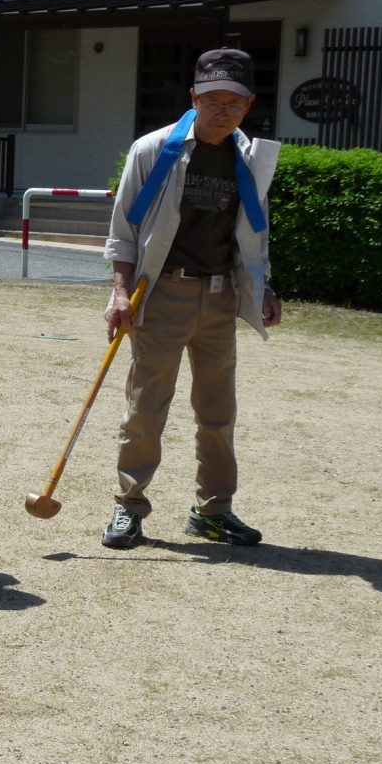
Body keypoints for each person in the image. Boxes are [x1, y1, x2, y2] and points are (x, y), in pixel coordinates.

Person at [101, 48, 283, 550]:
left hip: (221, 297)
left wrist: (262, 286)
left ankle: (213, 511)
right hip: (160, 294)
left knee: (218, 411)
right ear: (193, 98)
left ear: (248, 105)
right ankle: (129, 506)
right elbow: (123, 232)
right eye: (212, 99)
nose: (222, 110)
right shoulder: (153, 150)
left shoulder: (251, 158)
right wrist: (120, 292)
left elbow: (253, 234)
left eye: (234, 102)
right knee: (146, 406)